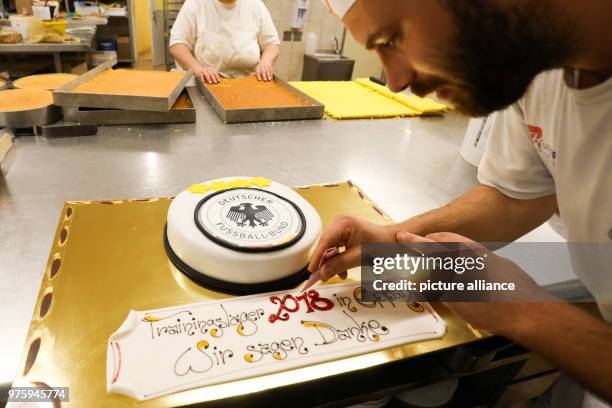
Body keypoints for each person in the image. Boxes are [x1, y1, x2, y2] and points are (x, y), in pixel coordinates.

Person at [311, 0, 612, 404]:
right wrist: (391, 238)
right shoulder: (532, 64)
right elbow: (517, 197)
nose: (396, 80)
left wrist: (527, 314)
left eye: (394, 38)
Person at [169, 0, 280, 84]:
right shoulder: (196, 3)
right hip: (207, 81)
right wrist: (198, 69)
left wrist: (266, 62)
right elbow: (178, 44)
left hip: (249, 80)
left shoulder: (255, 4)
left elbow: (271, 43)